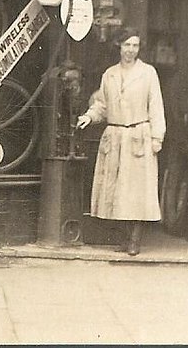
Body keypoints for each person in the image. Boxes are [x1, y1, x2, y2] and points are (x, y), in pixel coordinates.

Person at [76, 28, 166, 256]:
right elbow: (102, 105)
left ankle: (135, 240)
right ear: (119, 46)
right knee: (117, 192)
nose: (131, 50)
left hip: (138, 136)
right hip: (115, 137)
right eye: (127, 45)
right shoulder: (110, 74)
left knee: (137, 192)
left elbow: (155, 106)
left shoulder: (148, 73)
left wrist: (157, 137)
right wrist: (89, 116)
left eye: (135, 46)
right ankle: (125, 239)